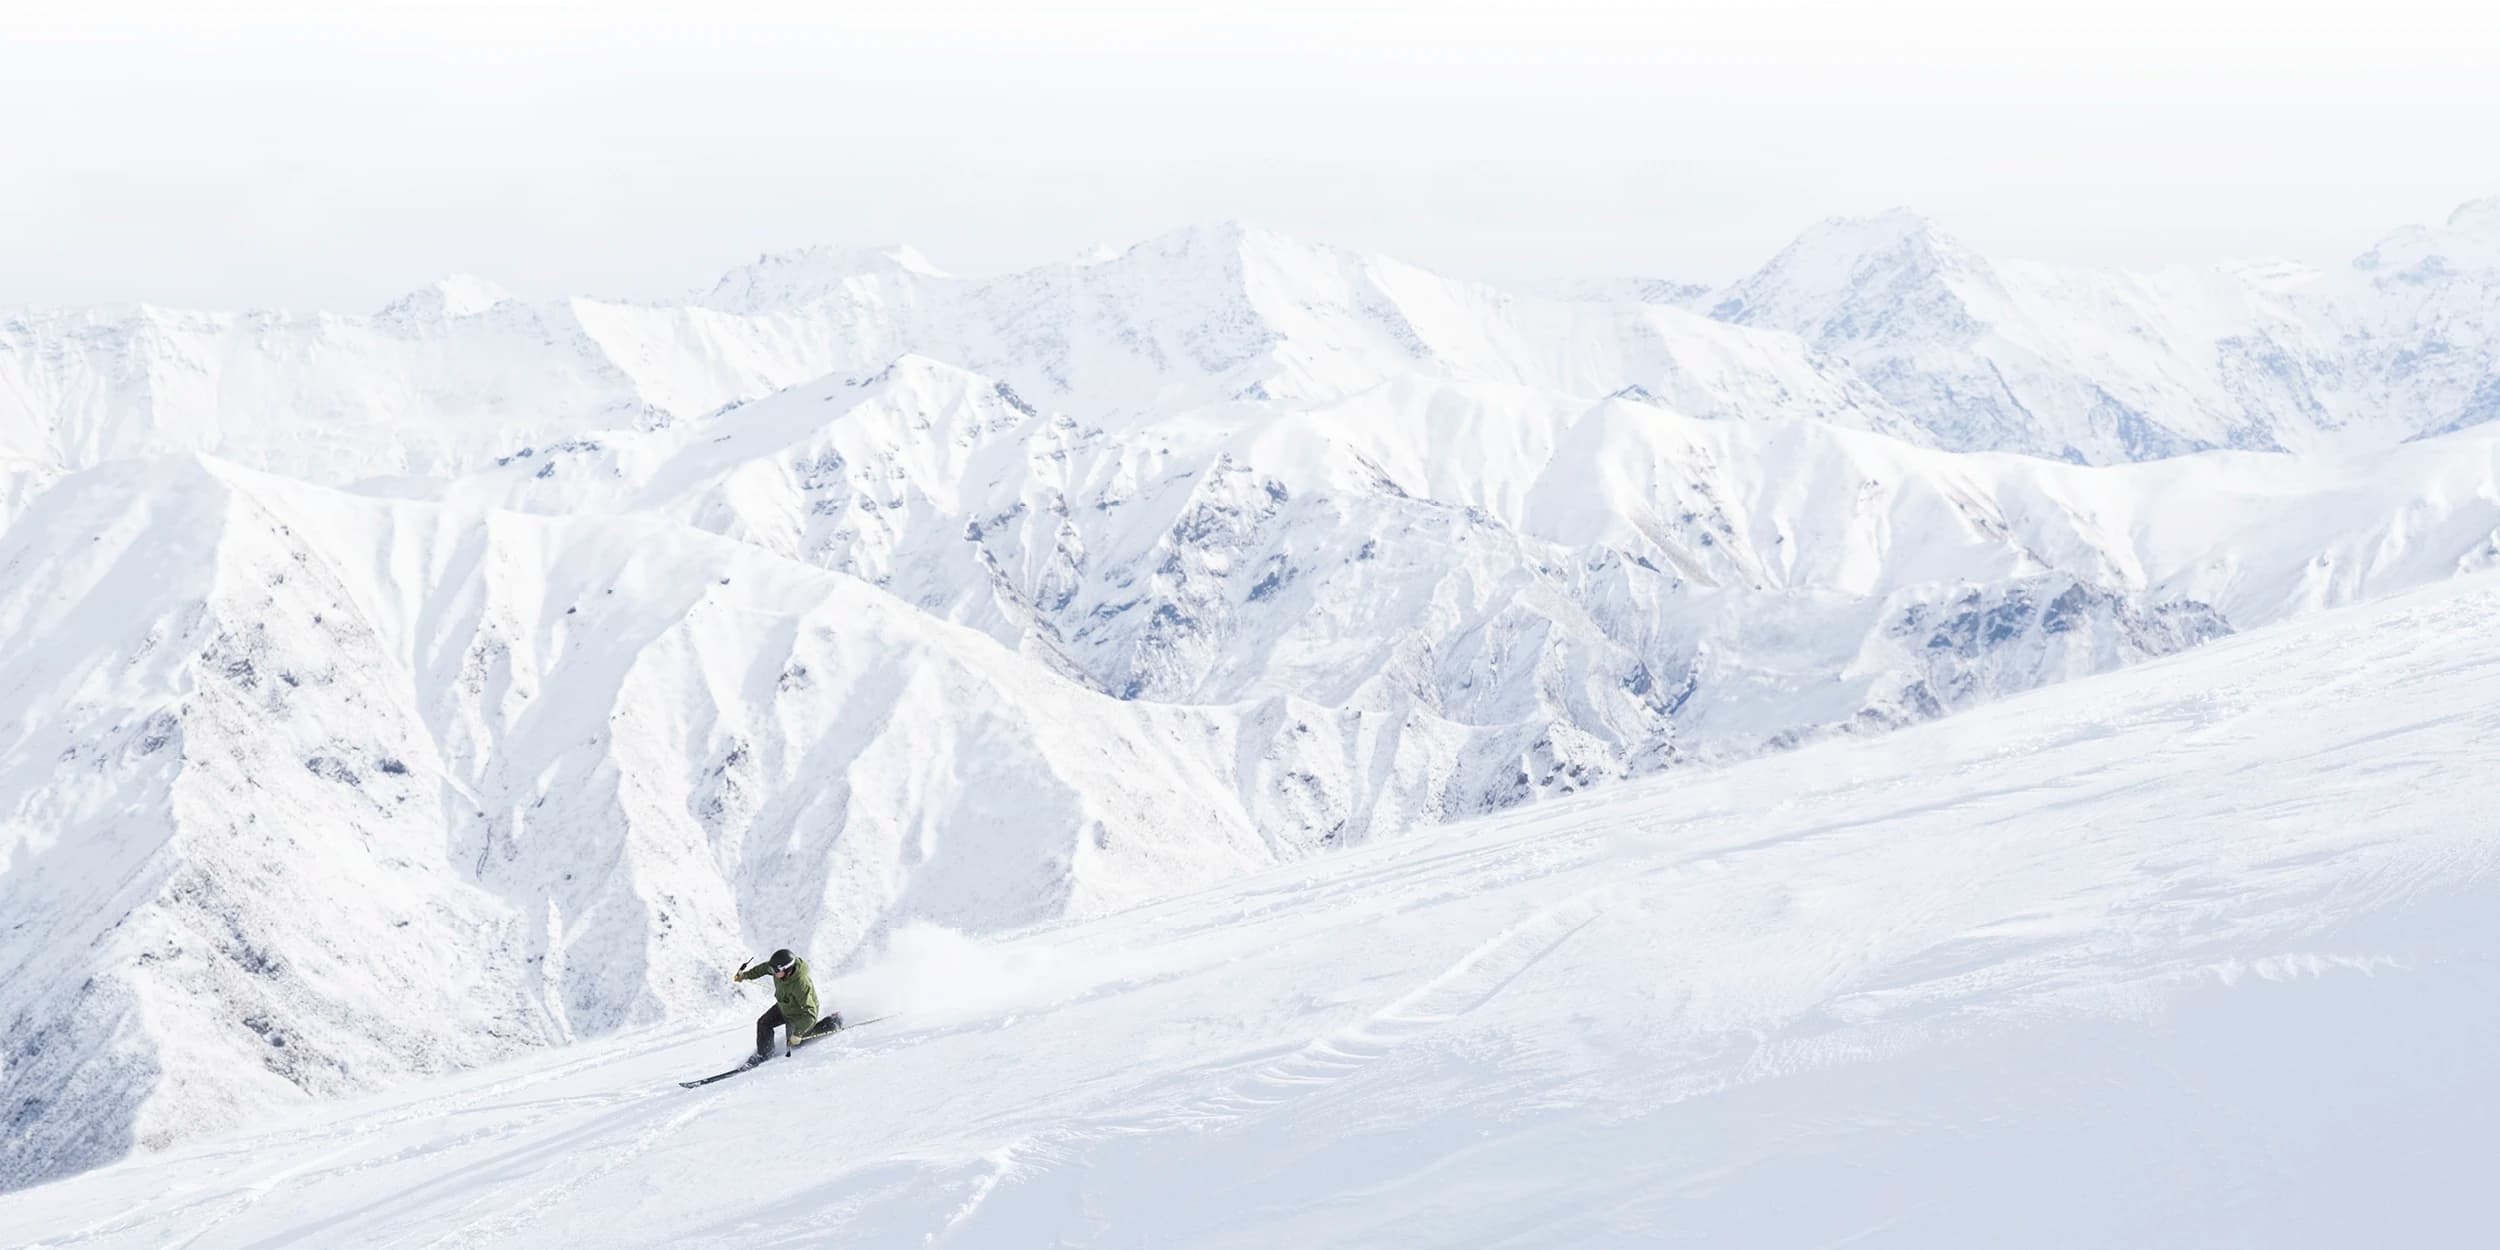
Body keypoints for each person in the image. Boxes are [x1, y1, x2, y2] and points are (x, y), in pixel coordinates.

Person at [734, 948, 842, 1059]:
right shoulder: (777, 970)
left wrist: (798, 1033)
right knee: (763, 1023)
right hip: (784, 1006)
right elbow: (763, 969)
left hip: (799, 1014)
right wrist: (744, 975)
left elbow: (810, 1014)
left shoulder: (801, 984)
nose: (774, 973)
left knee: (794, 1042)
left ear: (787, 969)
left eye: (777, 972)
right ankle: (764, 1055)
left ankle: (831, 1023)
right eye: (773, 970)